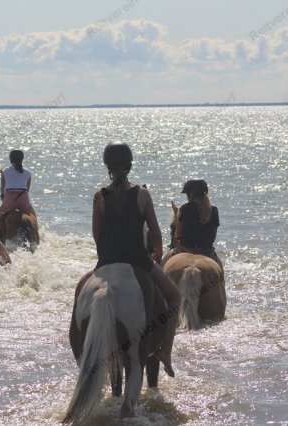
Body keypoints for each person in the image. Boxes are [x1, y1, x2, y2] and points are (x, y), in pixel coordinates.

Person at [74, 141, 181, 380]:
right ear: (129, 166)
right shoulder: (142, 194)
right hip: (138, 260)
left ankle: (81, 355)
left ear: (108, 167)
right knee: (175, 297)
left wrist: (108, 255)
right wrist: (156, 255)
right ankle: (166, 352)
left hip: (107, 261)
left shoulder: (99, 196)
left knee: (80, 289)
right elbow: (155, 233)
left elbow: (97, 236)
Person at [161, 179, 223, 270]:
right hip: (207, 252)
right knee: (221, 271)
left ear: (191, 195)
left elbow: (178, 235)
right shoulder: (213, 210)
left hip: (184, 250)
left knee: (161, 266)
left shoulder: (184, 208)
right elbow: (213, 236)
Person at [0, 150, 36, 217]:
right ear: (22, 159)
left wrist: (3, 199)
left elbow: (2, 188)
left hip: (9, 200)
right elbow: (27, 190)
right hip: (23, 199)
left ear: (10, 159)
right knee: (33, 216)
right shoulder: (28, 172)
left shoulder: (4, 171)